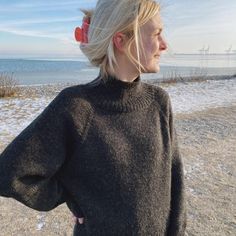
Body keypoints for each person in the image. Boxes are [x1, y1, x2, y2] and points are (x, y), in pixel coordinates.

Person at [0, 0, 186, 235]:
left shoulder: (159, 102)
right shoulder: (77, 107)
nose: (164, 44)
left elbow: (175, 180)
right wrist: (72, 195)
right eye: (157, 33)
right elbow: (10, 173)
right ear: (121, 41)